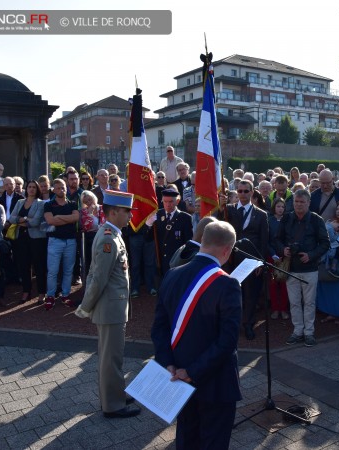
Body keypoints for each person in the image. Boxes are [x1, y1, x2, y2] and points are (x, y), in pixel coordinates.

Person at [151, 221, 242, 449]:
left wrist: (168, 364)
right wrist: (192, 372)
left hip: (177, 379)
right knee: (213, 441)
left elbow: (158, 328)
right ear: (227, 250)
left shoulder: (172, 274)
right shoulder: (227, 283)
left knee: (186, 438)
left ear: (202, 241)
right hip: (215, 383)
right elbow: (227, 341)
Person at [75, 190, 141, 419]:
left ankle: (116, 393)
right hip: (109, 309)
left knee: (114, 356)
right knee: (110, 359)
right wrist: (85, 306)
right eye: (127, 211)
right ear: (113, 212)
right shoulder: (107, 238)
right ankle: (112, 405)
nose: (131, 216)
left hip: (114, 307)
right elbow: (98, 277)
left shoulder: (112, 233)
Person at [272, 189, 329, 347]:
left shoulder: (316, 220)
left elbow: (325, 243)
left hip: (310, 268)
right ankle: (297, 331)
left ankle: (309, 332)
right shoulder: (287, 218)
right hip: (291, 268)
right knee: (294, 303)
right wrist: (283, 249)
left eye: (302, 202)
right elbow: (277, 239)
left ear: (308, 203)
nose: (298, 204)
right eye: (296, 201)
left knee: (309, 303)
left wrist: (311, 255)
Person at [219, 179, 269, 341]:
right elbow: (219, 226)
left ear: (252, 192)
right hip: (230, 259)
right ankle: (230, 324)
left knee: (250, 294)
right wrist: (220, 209)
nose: (242, 194)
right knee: (231, 294)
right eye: (239, 191)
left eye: (246, 191)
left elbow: (263, 240)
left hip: (250, 260)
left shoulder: (261, 215)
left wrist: (260, 262)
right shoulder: (228, 210)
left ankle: (248, 324)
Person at [42, 179, 80, 310]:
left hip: (70, 241)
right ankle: (50, 296)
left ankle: (65, 295)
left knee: (68, 270)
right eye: (58, 188)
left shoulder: (73, 203)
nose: (61, 190)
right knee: (53, 271)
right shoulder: (48, 205)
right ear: (53, 189)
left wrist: (59, 218)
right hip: (55, 241)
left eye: (63, 188)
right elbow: (50, 221)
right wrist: (65, 219)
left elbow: (76, 218)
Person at [8, 180, 46, 304]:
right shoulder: (20, 202)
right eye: (29, 187)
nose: (31, 189)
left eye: (34, 187)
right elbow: (11, 218)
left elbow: (35, 222)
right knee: (24, 265)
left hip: (36, 239)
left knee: (39, 265)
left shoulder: (40, 204)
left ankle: (41, 293)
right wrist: (24, 219)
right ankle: (26, 291)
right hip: (21, 237)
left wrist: (21, 220)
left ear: (37, 189)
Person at [145, 188, 193, 277]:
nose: (168, 205)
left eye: (171, 202)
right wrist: (148, 225)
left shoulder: (185, 218)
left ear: (177, 201)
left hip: (177, 261)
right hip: (161, 260)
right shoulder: (157, 215)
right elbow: (148, 239)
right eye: (165, 201)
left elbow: (188, 242)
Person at [267, 198, 290, 320]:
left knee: (285, 284)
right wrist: (272, 254)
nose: (280, 209)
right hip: (272, 256)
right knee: (273, 284)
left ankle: (283, 309)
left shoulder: (288, 220)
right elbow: (267, 240)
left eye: (282, 206)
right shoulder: (269, 221)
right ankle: (275, 309)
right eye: (278, 206)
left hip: (286, 256)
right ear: (274, 208)